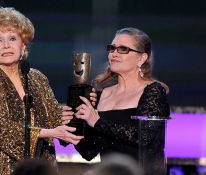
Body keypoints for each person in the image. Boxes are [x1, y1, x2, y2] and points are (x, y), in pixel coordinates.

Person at [0, 7, 97, 174]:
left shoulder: (37, 78)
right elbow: (1, 129)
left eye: (12, 38)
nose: (6, 45)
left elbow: (54, 119)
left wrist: (77, 111)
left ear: (23, 45)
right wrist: (49, 132)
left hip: (40, 167)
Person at [63, 27, 170, 165]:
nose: (114, 54)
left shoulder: (153, 91)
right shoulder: (102, 94)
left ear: (142, 58)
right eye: (112, 48)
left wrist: (97, 122)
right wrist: (72, 130)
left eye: (123, 49)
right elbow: (89, 152)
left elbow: (144, 137)